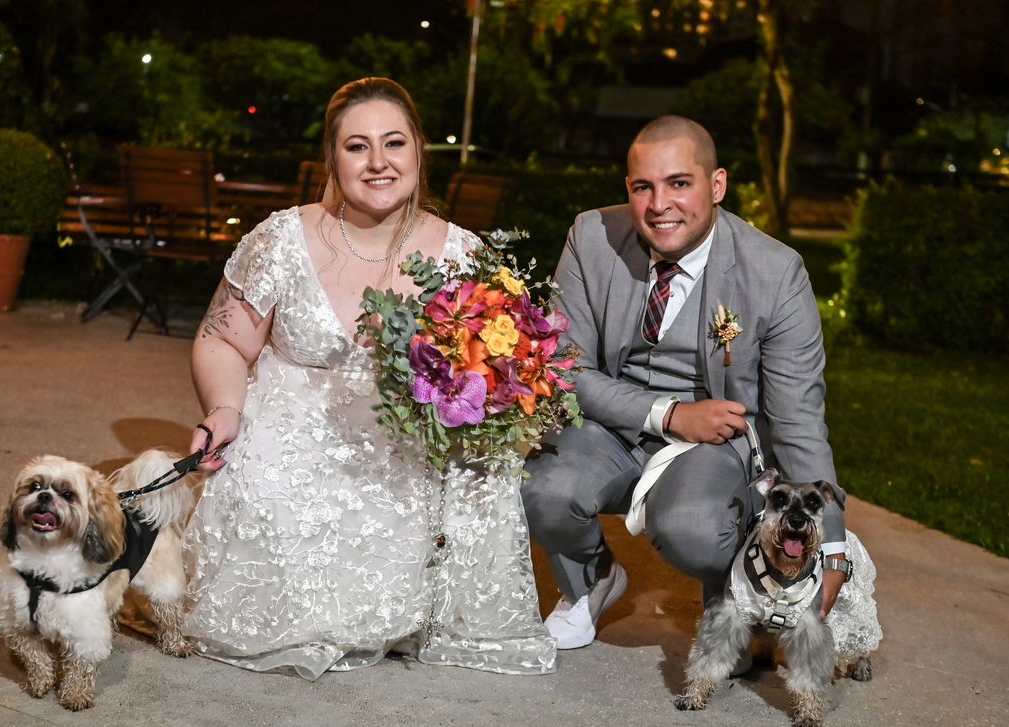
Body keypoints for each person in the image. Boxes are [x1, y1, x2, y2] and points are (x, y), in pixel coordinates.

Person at [179, 78, 556, 680]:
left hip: (408, 445)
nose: (378, 161)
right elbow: (221, 338)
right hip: (291, 433)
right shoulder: (280, 239)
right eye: (357, 146)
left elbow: (498, 371)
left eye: (394, 143)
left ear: (418, 151)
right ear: (333, 159)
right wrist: (224, 408)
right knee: (270, 514)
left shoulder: (464, 257)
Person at [522, 116, 850, 650]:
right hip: (612, 426)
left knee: (693, 527)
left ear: (717, 185)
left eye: (679, 183)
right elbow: (564, 367)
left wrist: (831, 544)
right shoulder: (591, 236)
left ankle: (732, 600)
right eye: (642, 187)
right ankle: (590, 580)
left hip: (715, 446)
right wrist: (669, 414)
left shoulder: (776, 272)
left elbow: (798, 419)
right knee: (542, 486)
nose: (659, 205)